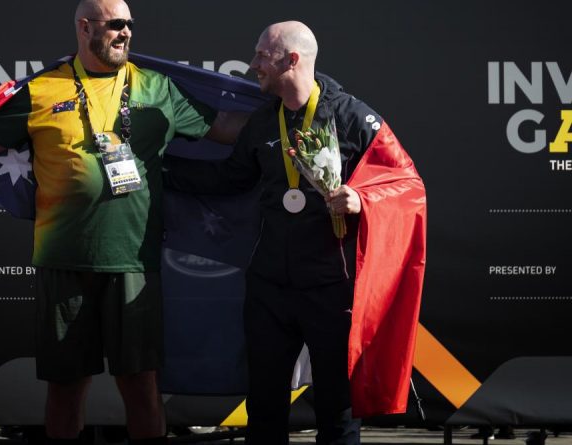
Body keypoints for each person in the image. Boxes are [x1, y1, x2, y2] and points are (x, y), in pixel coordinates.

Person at [0, 1, 245, 444]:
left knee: (141, 387)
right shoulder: (43, 89)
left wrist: (293, 115)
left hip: (134, 265)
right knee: (65, 389)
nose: (126, 33)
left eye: (129, 26)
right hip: (62, 262)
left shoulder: (157, 88)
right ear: (85, 28)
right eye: (115, 25)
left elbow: (224, 127)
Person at [164, 21, 426, 445]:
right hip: (269, 287)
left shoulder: (354, 117)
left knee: (335, 413)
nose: (252, 66)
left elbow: (408, 184)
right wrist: (158, 171)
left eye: (261, 56)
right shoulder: (263, 122)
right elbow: (229, 180)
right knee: (264, 409)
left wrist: (362, 200)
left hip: (332, 289)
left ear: (292, 60)